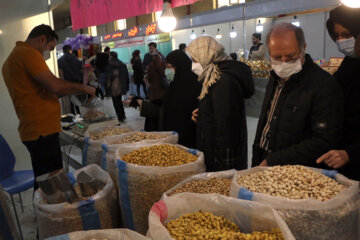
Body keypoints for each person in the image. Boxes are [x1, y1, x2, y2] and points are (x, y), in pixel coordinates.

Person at [2, 24, 95, 189]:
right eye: (50, 48)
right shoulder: (28, 53)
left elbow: (46, 93)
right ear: (42, 39)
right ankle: (53, 213)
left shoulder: (11, 59)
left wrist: (70, 90)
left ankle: (46, 211)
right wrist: (83, 87)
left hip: (33, 130)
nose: (49, 53)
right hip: (41, 132)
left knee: (44, 181)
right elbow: (55, 86)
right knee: (52, 184)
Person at [252, 23, 343, 168]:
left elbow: (323, 141)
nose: (283, 63)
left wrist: (275, 160)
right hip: (264, 157)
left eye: (290, 56)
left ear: (303, 49)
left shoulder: (323, 84)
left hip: (296, 169)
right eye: (276, 57)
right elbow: (267, 121)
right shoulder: (274, 77)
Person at [187, 36, 254, 172]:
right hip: (217, 150)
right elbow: (218, 112)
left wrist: (221, 167)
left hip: (222, 158)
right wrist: (203, 114)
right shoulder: (214, 75)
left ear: (206, 56)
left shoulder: (222, 80)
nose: (193, 66)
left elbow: (226, 127)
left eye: (195, 60)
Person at [316, 5, 360, 181]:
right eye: (337, 36)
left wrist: (351, 153)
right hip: (339, 157)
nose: (342, 41)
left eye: (347, 35)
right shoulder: (348, 65)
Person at [138, 50, 202, 148]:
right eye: (166, 67)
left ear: (179, 65)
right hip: (174, 137)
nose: (167, 70)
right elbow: (167, 105)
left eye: (170, 67)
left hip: (188, 136)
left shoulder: (196, 85)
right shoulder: (175, 84)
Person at [144, 54, 167, 131]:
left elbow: (148, 79)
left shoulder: (150, 66)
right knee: (163, 112)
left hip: (154, 93)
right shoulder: (163, 64)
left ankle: (156, 128)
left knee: (154, 112)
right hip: (164, 92)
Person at [58, 44, 83, 114]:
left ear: (63, 51)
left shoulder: (60, 60)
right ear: (70, 50)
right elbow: (81, 70)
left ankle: (72, 114)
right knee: (76, 98)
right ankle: (78, 113)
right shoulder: (76, 59)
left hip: (67, 82)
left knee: (69, 99)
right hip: (76, 81)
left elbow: (60, 72)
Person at [106, 51, 129, 122]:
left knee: (115, 103)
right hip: (121, 86)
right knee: (119, 101)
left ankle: (120, 117)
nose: (108, 57)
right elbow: (126, 76)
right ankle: (123, 115)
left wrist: (107, 88)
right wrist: (126, 85)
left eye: (109, 56)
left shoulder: (109, 65)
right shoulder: (122, 64)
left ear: (112, 57)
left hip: (113, 87)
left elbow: (108, 78)